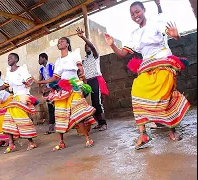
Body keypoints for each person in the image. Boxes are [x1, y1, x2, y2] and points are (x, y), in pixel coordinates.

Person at [103, 0, 190, 150]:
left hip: (163, 62)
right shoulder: (134, 34)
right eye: (132, 14)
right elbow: (122, 54)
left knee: (163, 96)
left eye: (137, 11)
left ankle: (172, 131)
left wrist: (176, 36)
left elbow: (171, 34)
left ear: (144, 10)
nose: (135, 15)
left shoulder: (155, 23)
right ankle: (143, 134)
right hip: (146, 67)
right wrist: (111, 44)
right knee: (136, 91)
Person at [35, 37, 96, 151]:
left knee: (78, 112)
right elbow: (55, 77)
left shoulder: (74, 55)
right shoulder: (58, 61)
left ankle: (87, 138)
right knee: (60, 114)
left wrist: (81, 72)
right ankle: (61, 142)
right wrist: (40, 82)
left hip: (74, 86)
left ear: (67, 44)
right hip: (62, 88)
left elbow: (80, 68)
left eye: (62, 41)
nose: (59, 43)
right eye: (58, 42)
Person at [0, 53, 38, 153]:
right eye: (8, 58)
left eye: (11, 58)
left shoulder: (22, 69)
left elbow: (30, 80)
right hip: (15, 98)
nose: (9, 59)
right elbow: (5, 86)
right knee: (8, 119)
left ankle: (31, 142)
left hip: (23, 96)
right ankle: (11, 144)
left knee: (21, 119)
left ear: (16, 59)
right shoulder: (8, 72)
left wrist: (28, 83)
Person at [76, 27, 109, 131]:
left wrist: (83, 37)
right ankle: (97, 122)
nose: (87, 47)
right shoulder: (85, 60)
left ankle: (103, 123)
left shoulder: (95, 55)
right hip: (88, 81)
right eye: (85, 47)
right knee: (87, 102)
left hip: (96, 80)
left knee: (97, 102)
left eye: (88, 46)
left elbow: (92, 46)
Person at [38, 53, 56, 135]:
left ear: (44, 58)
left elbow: (55, 79)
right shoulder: (41, 69)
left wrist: (49, 88)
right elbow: (40, 80)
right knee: (50, 108)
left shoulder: (51, 66)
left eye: (40, 58)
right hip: (49, 91)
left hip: (56, 89)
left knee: (58, 107)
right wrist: (41, 88)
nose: (39, 60)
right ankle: (51, 126)